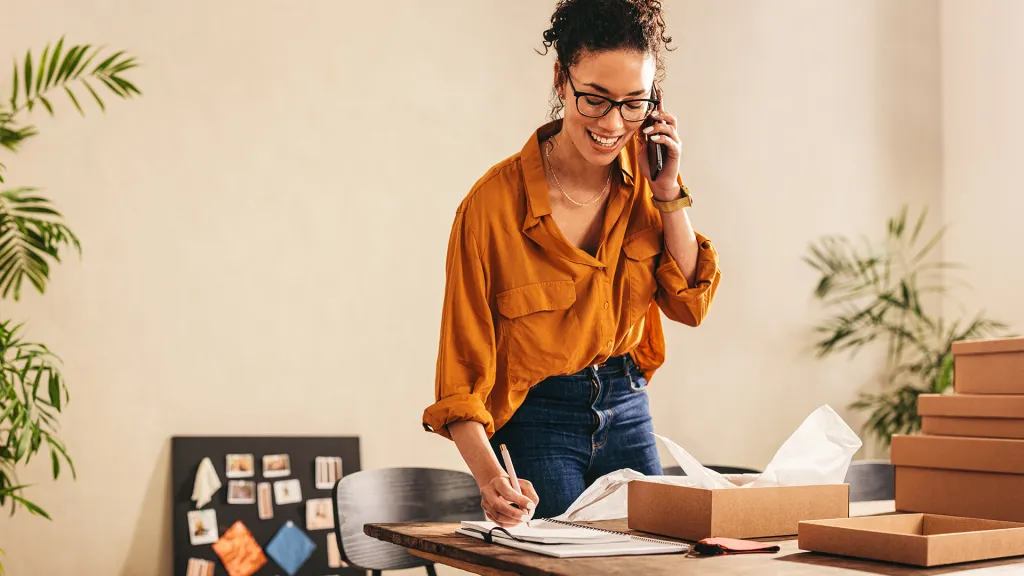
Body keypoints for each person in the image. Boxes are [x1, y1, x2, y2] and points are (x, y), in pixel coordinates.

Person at [422, 0, 721, 526]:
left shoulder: (648, 182)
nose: (612, 123)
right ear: (561, 79)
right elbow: (460, 378)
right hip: (539, 418)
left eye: (635, 103)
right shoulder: (491, 209)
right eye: (595, 99)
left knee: (656, 563)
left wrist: (669, 191)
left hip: (627, 403)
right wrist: (492, 479)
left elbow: (690, 304)